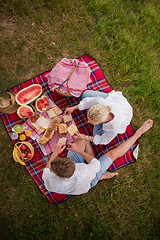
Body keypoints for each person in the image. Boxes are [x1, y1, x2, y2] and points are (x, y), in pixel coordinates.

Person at [42, 119, 153, 195]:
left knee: (81, 140)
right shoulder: (84, 172)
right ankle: (139, 133)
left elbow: (47, 168)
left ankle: (99, 171)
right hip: (87, 180)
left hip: (78, 174)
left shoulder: (48, 179)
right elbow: (95, 162)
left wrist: (55, 153)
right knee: (112, 155)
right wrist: (78, 151)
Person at [64, 90, 133, 145]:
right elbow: (89, 102)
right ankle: (89, 111)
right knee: (85, 94)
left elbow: (104, 140)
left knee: (96, 134)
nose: (87, 121)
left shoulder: (114, 127)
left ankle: (89, 112)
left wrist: (85, 137)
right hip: (113, 102)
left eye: (90, 121)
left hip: (123, 113)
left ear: (99, 122)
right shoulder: (100, 102)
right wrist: (73, 108)